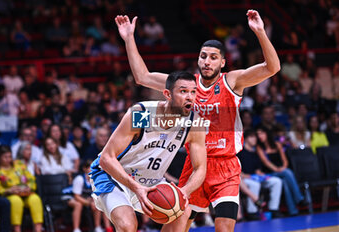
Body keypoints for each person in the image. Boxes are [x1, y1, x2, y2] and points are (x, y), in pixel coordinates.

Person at [115, 9, 280, 231]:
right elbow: (142, 77)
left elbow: (272, 68)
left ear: (222, 62)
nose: (207, 62)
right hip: (194, 165)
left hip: (226, 166)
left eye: (213, 57)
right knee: (175, 228)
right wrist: (129, 39)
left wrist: (260, 32)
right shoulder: (184, 86)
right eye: (203, 56)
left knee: (224, 228)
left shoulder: (232, 81)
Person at [89, 71, 207, 232]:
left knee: (182, 211)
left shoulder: (194, 123)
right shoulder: (142, 113)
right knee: (127, 225)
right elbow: (106, 158)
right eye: (183, 91)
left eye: (193, 92)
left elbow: (200, 168)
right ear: (167, 94)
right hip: (113, 176)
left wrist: (184, 191)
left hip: (151, 182)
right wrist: (136, 188)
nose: (190, 97)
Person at [256, 126, 307, 216]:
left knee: (284, 181)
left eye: (261, 133)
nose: (259, 136)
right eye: (258, 134)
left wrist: (283, 167)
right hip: (270, 173)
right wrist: (277, 169)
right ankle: (299, 198)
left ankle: (293, 211)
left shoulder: (277, 144)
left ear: (267, 133)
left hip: (281, 171)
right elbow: (265, 162)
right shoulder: (259, 148)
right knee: (287, 172)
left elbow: (285, 160)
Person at [0, 146, 43, 232]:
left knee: (35, 199)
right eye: (5, 157)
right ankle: (17, 229)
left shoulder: (19, 165)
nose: (8, 159)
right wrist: (9, 190)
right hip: (10, 195)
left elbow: (31, 179)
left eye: (10, 156)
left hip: (26, 193)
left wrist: (29, 187)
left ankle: (38, 229)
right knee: (16, 201)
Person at [237, 129, 282, 220]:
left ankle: (274, 209)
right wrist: (248, 176)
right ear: (246, 138)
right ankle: (252, 212)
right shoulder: (240, 152)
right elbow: (238, 171)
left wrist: (263, 176)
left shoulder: (255, 152)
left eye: (255, 137)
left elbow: (257, 170)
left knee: (276, 181)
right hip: (245, 179)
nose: (254, 139)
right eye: (251, 137)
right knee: (255, 185)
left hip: (255, 178)